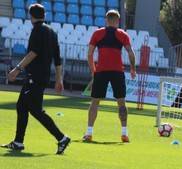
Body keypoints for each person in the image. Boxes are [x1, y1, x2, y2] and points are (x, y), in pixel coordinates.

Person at [1, 4, 70, 154]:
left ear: (30, 16)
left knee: (36, 110)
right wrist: (59, 79)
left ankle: (62, 138)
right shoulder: (52, 32)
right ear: (44, 15)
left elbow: (33, 53)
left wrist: (16, 69)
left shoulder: (37, 30)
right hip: (42, 76)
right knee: (22, 106)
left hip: (35, 77)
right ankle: (18, 142)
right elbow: (57, 59)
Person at [82, 10, 136, 143]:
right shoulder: (123, 35)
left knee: (95, 101)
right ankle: (124, 133)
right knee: (121, 102)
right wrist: (133, 69)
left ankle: (89, 133)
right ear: (118, 21)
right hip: (117, 72)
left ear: (106, 20)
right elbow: (130, 52)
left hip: (101, 71)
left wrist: (93, 71)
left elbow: (89, 54)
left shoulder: (97, 33)